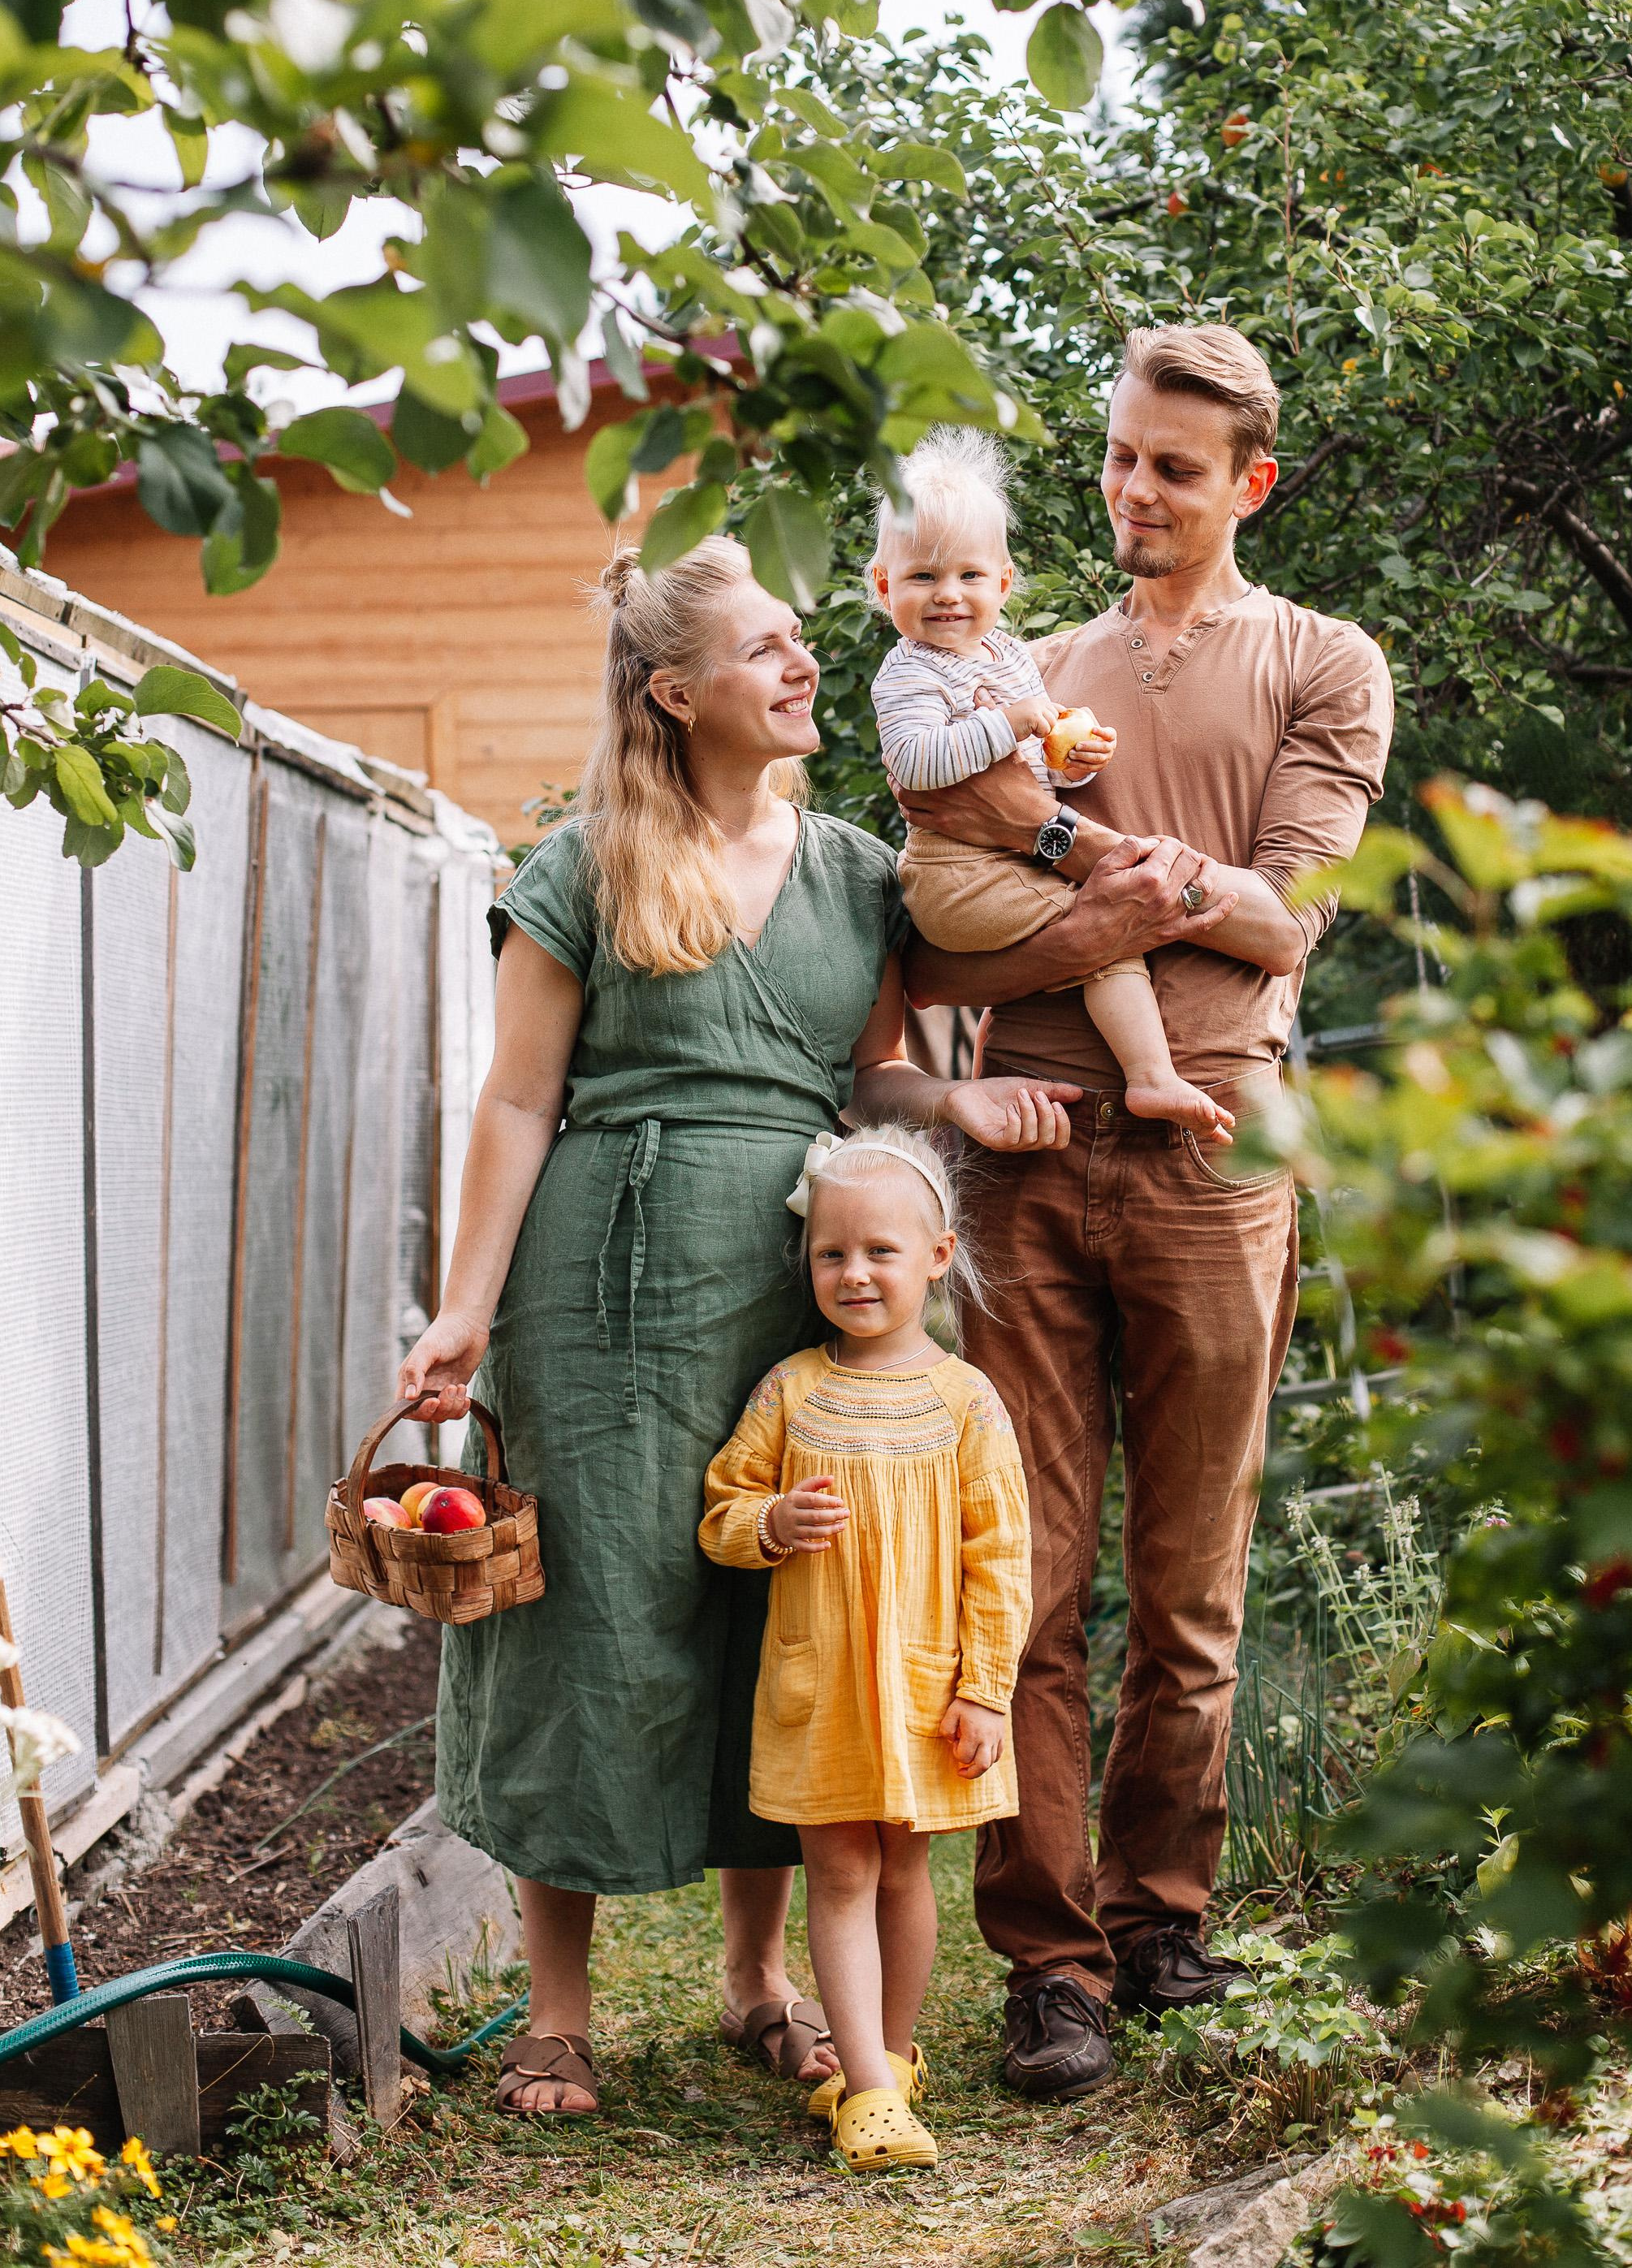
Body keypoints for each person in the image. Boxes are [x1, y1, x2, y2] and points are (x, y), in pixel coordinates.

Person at [395, 537, 1077, 2117]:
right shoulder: (581, 862)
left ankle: (757, 1975)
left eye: (798, 642)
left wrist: (954, 1095)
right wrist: (464, 1304)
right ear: (674, 687)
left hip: (795, 1282)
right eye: (766, 647)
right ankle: (556, 2010)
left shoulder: (851, 868)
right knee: (596, 1610)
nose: (802, 665)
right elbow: (515, 1095)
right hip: (603, 1285)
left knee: (784, 1608)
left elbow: (873, 1079)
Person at [905, 324, 1396, 2101]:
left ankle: (1158, 1912)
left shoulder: (1320, 660)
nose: (1129, 489)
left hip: (1213, 1157)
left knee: (1187, 1578)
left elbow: (1284, 925)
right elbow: (948, 925)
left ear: (1245, 483)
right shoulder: (1020, 670)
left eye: (1169, 467)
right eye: (1116, 456)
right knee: (1020, 1579)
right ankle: (1049, 1963)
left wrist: (1139, 880)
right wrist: (1136, 906)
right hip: (1025, 1149)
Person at [700, 1125, 1030, 2175]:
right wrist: (766, 1526)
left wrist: (986, 1689)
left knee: (903, 1869)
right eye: (832, 1252)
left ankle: (888, 2052)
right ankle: (871, 2088)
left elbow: (1002, 1558)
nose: (854, 1273)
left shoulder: (965, 1401)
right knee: (839, 1867)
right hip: (824, 1688)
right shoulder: (791, 1391)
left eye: (881, 1251)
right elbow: (721, 1506)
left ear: (936, 1256)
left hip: (929, 1689)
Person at [870, 430, 1233, 1146]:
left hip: (1004, 861)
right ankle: (1151, 1076)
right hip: (954, 875)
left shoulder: (1006, 654)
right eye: (922, 578)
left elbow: (1037, 762)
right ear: (885, 587)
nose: (947, 596)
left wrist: (1075, 761)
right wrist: (1012, 723)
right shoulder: (906, 672)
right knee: (1109, 932)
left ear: (1003, 584)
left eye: (969, 577)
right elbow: (915, 763)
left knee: (1102, 925)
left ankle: (1141, 1067)